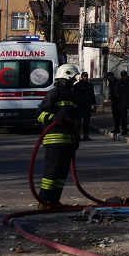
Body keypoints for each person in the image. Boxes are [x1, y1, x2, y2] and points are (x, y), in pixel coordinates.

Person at [35, 65, 81, 206]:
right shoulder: (54, 94)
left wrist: (76, 135)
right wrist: (54, 118)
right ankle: (43, 202)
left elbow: (74, 119)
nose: (74, 81)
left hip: (68, 140)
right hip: (54, 140)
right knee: (52, 173)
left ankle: (54, 200)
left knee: (62, 173)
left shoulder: (71, 96)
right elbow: (39, 115)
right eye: (72, 78)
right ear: (66, 77)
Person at [72, 72, 95, 140]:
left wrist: (94, 104)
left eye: (86, 76)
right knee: (78, 122)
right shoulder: (77, 85)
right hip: (79, 106)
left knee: (86, 122)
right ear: (81, 77)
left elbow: (92, 95)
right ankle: (78, 136)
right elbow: (74, 95)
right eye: (84, 76)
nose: (85, 77)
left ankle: (86, 135)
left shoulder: (89, 85)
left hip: (87, 106)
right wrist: (75, 104)